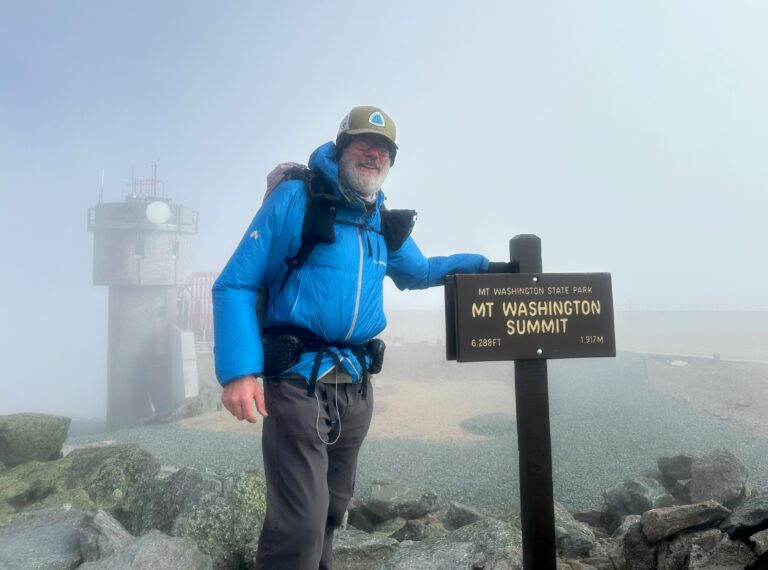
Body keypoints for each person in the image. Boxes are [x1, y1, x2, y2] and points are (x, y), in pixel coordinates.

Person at [212, 105, 489, 569]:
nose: (373, 154)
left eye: (383, 149)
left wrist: (486, 267)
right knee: (299, 521)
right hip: (297, 380)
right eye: (363, 144)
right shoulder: (297, 199)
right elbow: (235, 283)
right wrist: (239, 372)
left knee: (332, 511)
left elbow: (418, 273)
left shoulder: (379, 217)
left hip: (356, 386)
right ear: (341, 149)